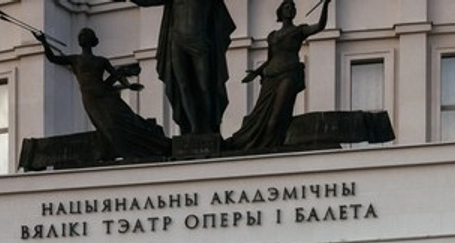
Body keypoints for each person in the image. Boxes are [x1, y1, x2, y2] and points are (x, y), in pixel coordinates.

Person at [34, 27, 169, 161]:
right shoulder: (75, 59)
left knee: (126, 119)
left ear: (92, 40)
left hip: (105, 94)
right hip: (91, 98)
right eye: (81, 36)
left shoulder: (101, 60)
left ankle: (149, 145)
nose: (83, 37)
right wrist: (44, 42)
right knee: (107, 126)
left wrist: (128, 85)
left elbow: (115, 74)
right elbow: (52, 58)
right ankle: (131, 150)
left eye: (86, 35)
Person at [229, 0, 332, 153]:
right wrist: (257, 72)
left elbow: (320, 26)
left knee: (276, 116)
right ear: (281, 11)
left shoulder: (299, 31)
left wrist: (325, 5)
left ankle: (272, 148)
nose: (290, 9)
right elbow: (270, 59)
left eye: (293, 7)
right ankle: (258, 147)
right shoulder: (272, 36)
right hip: (270, 77)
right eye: (287, 7)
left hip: (289, 74)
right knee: (260, 115)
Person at [130, 0, 236, 137]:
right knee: (183, 86)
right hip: (176, 41)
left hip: (199, 41)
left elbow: (223, 21)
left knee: (205, 86)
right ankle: (194, 128)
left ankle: (208, 128)